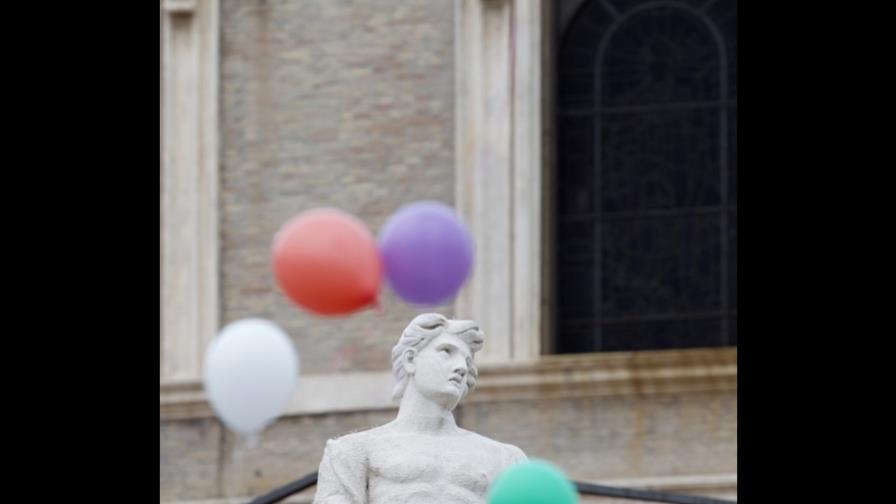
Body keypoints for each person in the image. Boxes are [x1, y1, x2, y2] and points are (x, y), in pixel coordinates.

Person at [313, 313, 527, 504]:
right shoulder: (353, 451)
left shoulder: (505, 458)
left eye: (467, 360)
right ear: (410, 360)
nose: (461, 367)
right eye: (446, 351)